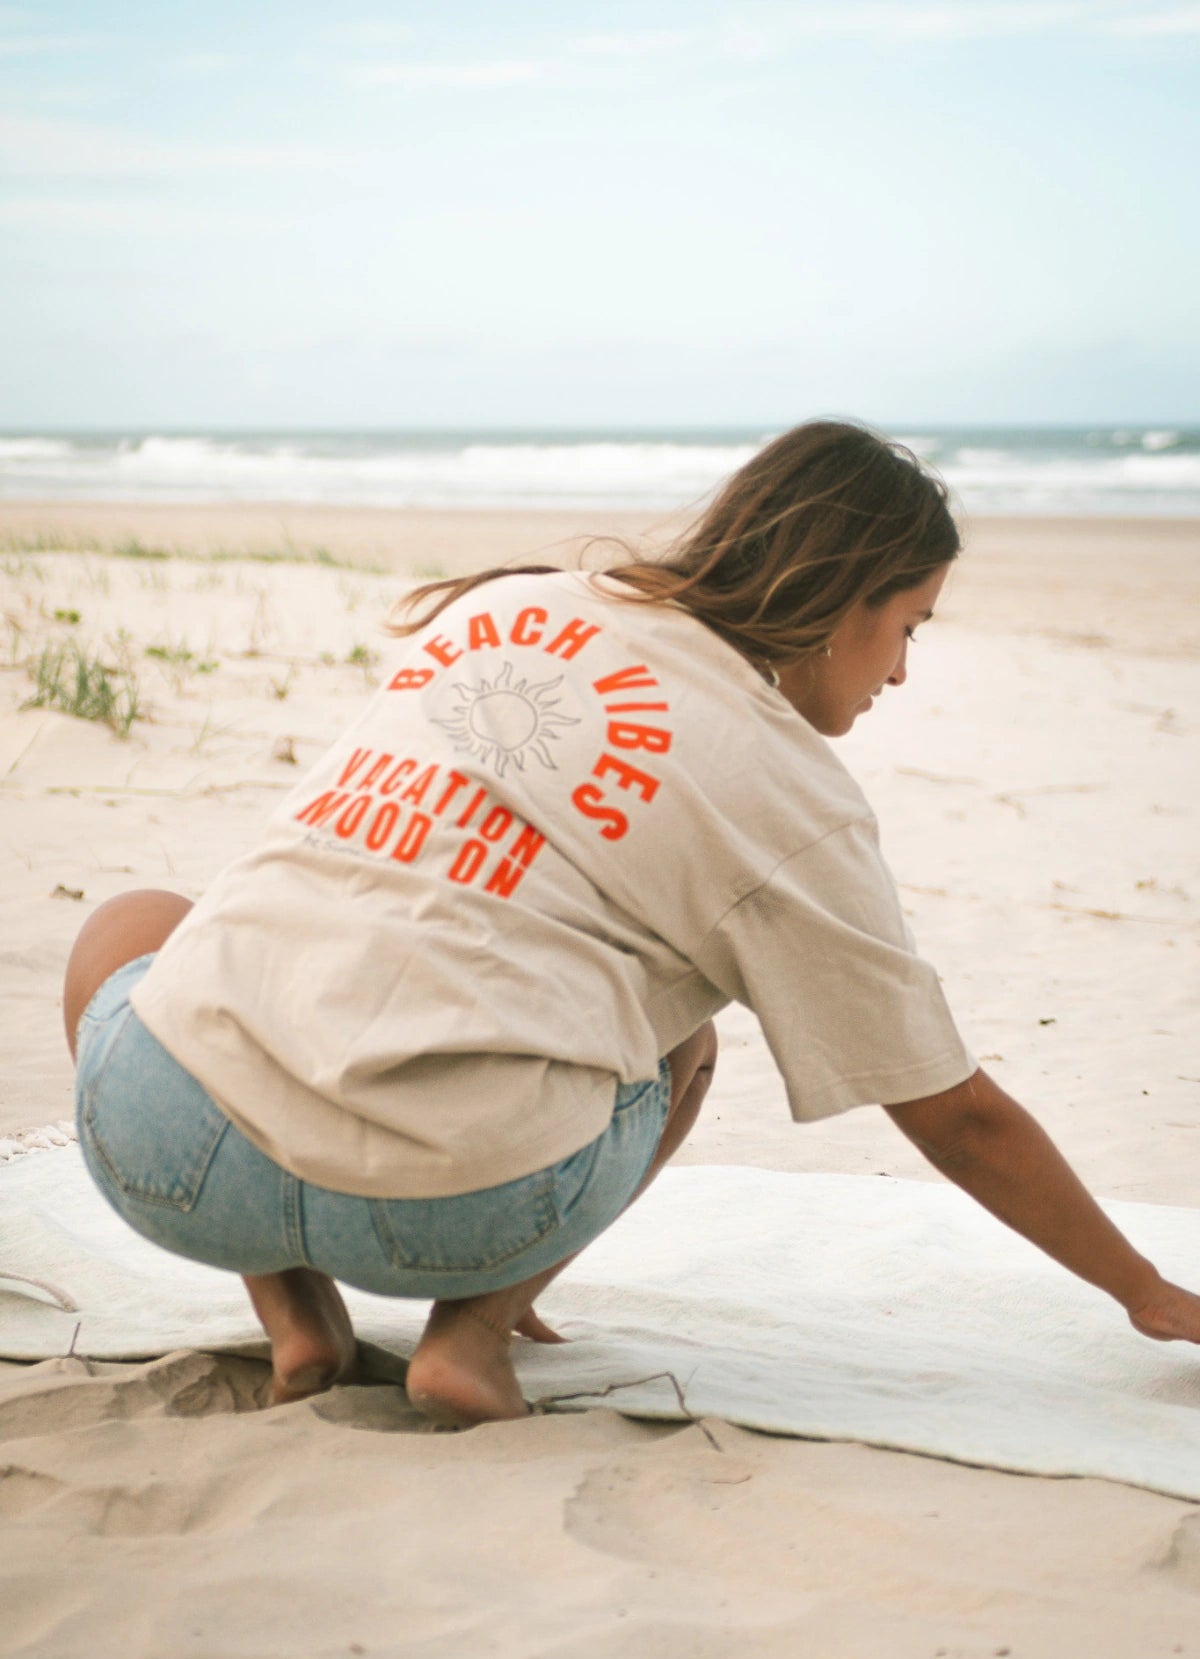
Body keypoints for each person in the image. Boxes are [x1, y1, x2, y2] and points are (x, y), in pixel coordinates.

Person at [63, 420, 1200, 1428]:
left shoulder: (507, 608)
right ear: (840, 601)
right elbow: (954, 1116)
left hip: (172, 1160)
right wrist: (1142, 1289)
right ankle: (468, 1337)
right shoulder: (794, 797)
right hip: (452, 1210)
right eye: (909, 625)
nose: (902, 670)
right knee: (682, 1038)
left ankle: (295, 1314)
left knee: (137, 921)